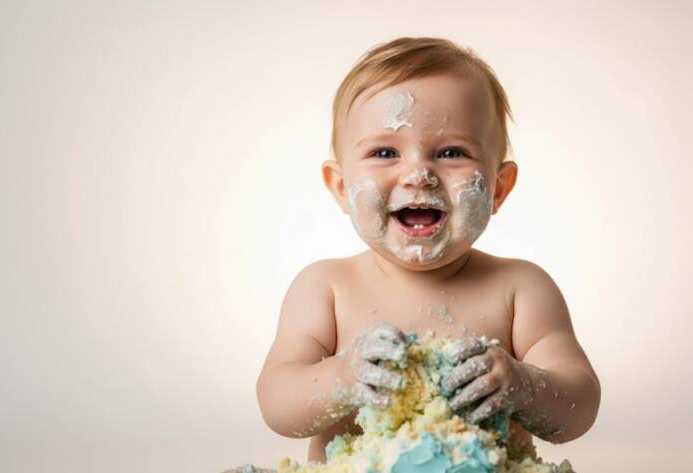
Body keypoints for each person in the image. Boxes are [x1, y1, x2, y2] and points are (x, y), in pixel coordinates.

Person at [256, 37, 601, 462]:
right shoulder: (326, 288)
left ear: (498, 187)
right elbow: (277, 405)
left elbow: (579, 408)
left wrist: (522, 386)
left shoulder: (521, 289)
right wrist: (342, 378)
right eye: (385, 152)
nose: (419, 174)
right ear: (342, 187)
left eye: (451, 153)